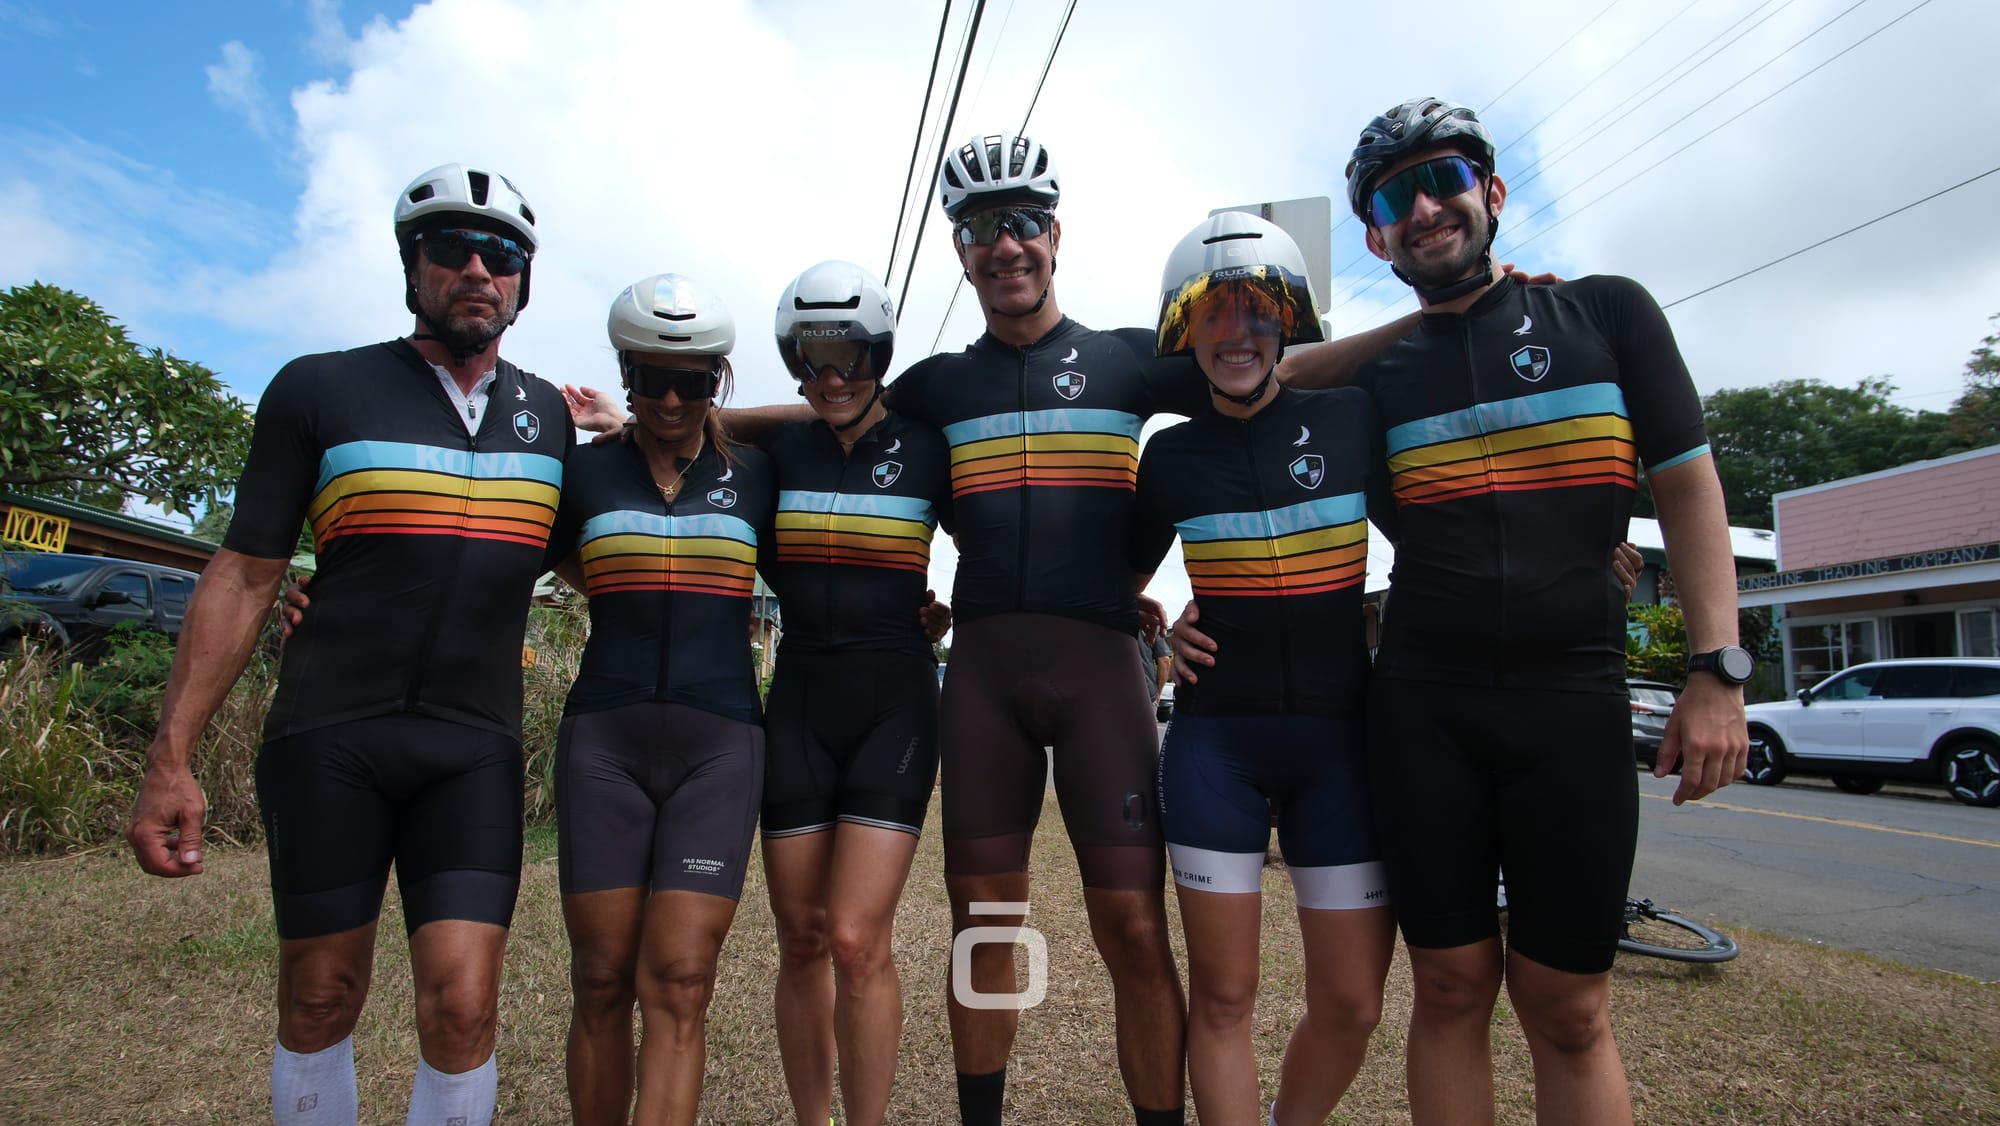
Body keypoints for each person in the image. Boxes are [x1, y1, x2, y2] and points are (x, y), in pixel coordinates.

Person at [1179, 97, 1751, 1125]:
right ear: (1374, 236)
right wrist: (1429, 317)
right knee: (1447, 987)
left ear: (1491, 191)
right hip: (1423, 713)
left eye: (1444, 180)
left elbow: (1686, 484)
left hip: (1570, 704)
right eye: (1393, 199)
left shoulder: (1607, 314)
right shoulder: (1374, 384)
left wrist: (1716, 667)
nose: (1424, 209)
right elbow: (1266, 374)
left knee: (1569, 1008)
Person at [125, 163, 570, 1126]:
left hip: (472, 745)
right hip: (332, 733)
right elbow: (245, 572)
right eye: (452, 249)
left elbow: (627, 515)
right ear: (412, 266)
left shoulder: (556, 422)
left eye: (501, 255)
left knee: (464, 1003)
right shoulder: (320, 388)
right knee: (320, 995)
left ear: (524, 281)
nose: (478, 271)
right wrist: (171, 759)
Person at [1133, 212, 1396, 1126]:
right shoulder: (1170, 454)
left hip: (1343, 746)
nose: (1235, 333)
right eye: (1212, 315)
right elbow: (1109, 581)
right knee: (1224, 999)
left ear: (1290, 321)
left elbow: (1449, 531)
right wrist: (1158, 630)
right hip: (1218, 748)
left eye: (1257, 311)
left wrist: (1587, 549)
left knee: (1355, 1004)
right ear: (1185, 333)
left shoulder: (1351, 418)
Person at [548, 274, 776, 1126]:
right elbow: (499, 561)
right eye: (650, 379)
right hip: (604, 742)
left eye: (693, 381)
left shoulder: (757, 475)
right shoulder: (581, 475)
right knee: (600, 979)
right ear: (624, 372)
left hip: (720, 748)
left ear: (719, 379)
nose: (671, 399)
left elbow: (833, 411)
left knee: (681, 980)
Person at [756, 260, 954, 1126]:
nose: (833, 378)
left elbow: (1013, 534)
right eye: (811, 360)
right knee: (801, 940)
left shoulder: (929, 447)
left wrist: (1118, 593)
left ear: (882, 354)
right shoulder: (776, 453)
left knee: (853, 936)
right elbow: (684, 438)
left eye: (853, 358)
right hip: (799, 700)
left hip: (893, 703)